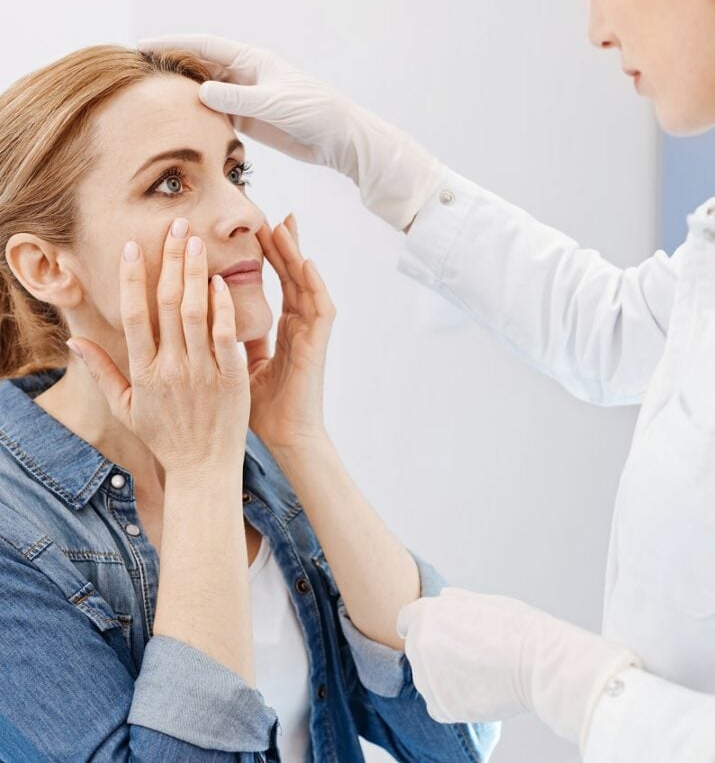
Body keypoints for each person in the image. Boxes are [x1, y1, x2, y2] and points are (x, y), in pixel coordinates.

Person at [140, 0, 715, 760]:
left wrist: (565, 679)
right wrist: (377, 160)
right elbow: (616, 330)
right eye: (169, 182)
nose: (596, 27)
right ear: (41, 265)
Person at [0, 45, 501, 762]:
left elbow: (451, 735)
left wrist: (300, 441)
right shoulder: (14, 527)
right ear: (47, 266)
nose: (244, 213)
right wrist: (201, 475)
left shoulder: (254, 445)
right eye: (171, 183)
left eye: (236, 172)